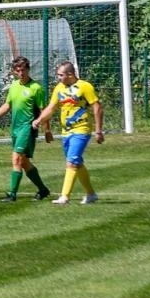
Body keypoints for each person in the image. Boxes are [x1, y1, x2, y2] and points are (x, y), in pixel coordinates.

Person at [0, 57, 54, 202]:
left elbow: (43, 111)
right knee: (24, 162)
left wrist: (47, 131)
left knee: (16, 158)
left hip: (28, 129)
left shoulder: (36, 88)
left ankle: (12, 194)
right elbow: (7, 105)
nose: (21, 73)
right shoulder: (14, 86)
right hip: (15, 129)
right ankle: (43, 189)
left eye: (24, 69)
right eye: (18, 70)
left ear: (28, 69)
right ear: (14, 71)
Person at [33, 60, 104, 205]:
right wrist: (39, 119)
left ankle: (64, 196)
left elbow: (97, 108)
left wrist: (98, 131)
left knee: (71, 161)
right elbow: (51, 108)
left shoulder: (85, 87)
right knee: (76, 162)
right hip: (66, 131)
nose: (58, 77)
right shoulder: (59, 88)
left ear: (70, 74)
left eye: (61, 75)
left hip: (81, 129)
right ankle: (91, 194)